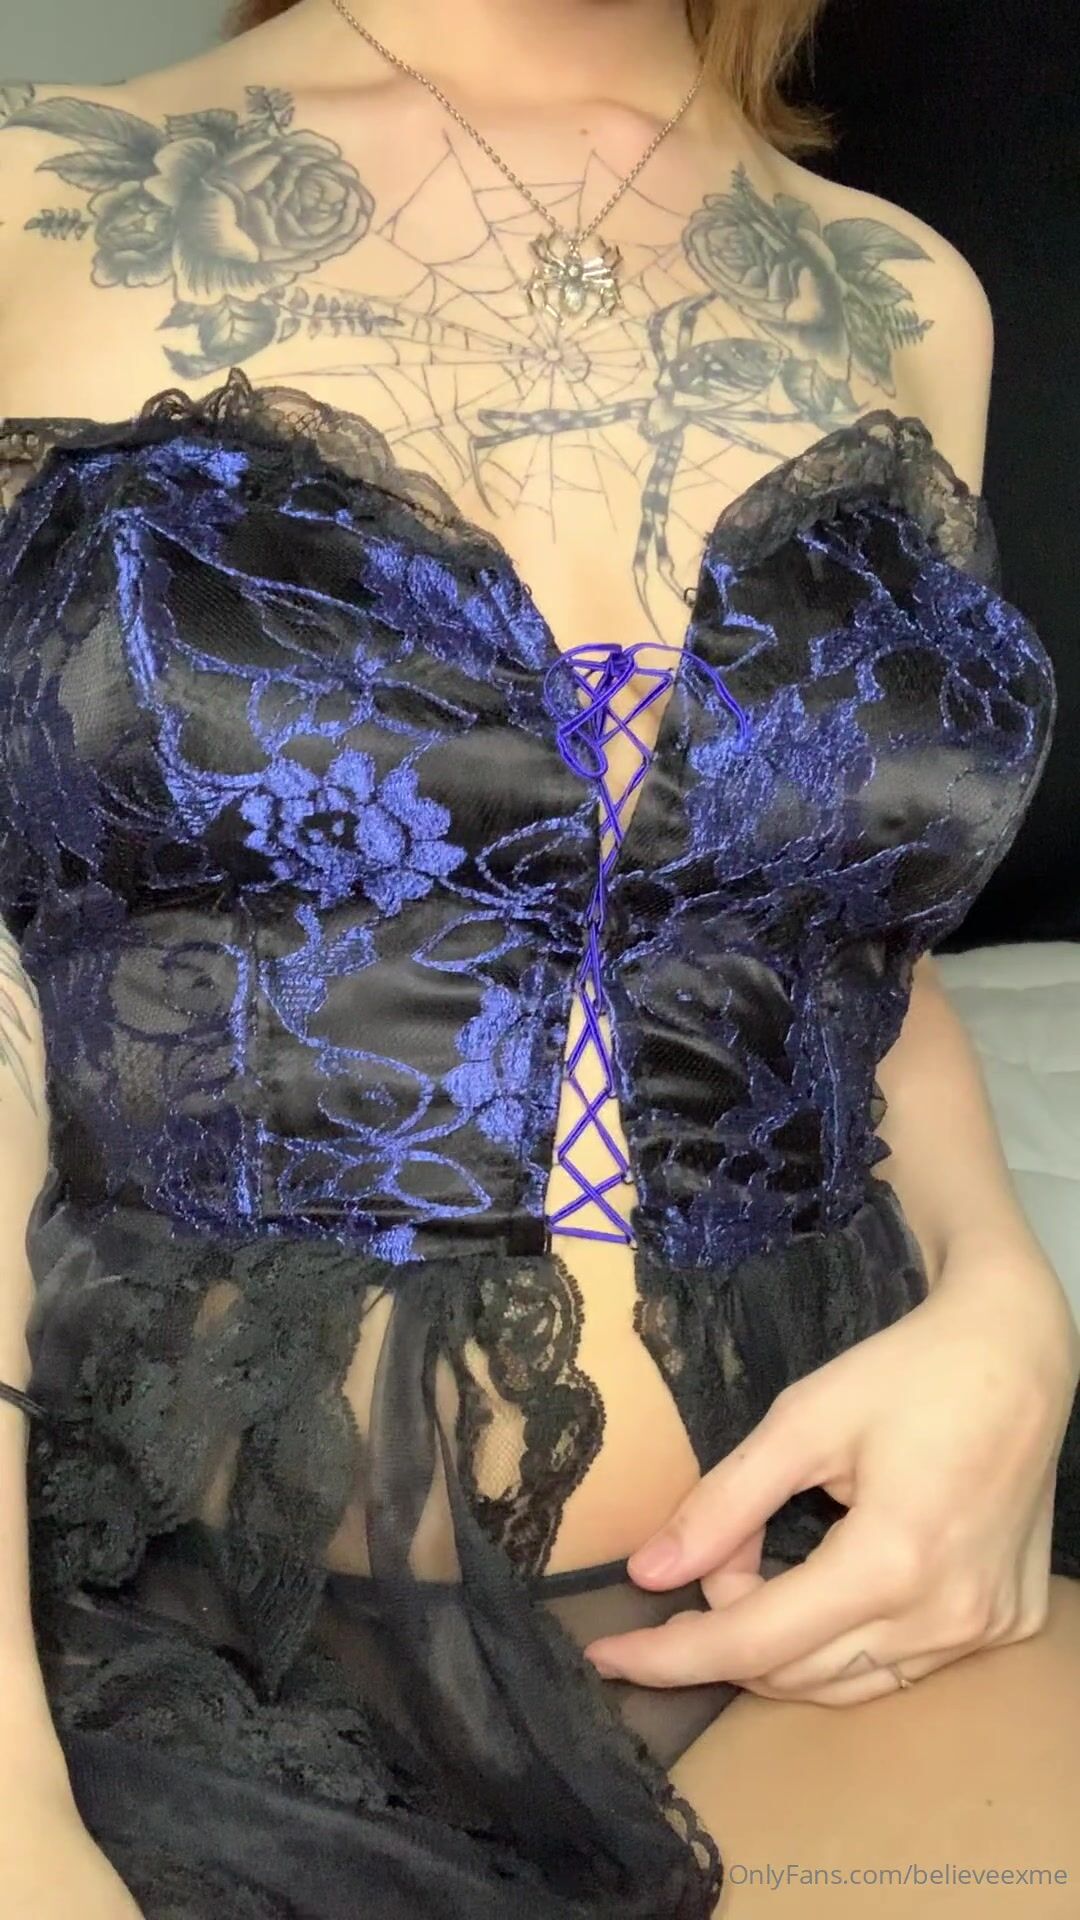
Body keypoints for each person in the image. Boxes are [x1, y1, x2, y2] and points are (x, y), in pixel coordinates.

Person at [0, 1, 1076, 1913]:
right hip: (144, 1657)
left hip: (809, 1610)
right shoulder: (31, 196)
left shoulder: (913, 290)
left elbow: (839, 937)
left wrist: (1010, 1304)